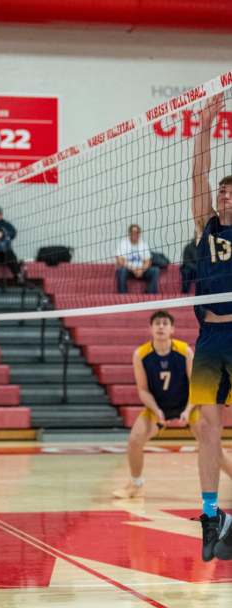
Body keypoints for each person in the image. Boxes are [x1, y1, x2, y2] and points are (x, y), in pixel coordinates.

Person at [113, 310, 232, 500]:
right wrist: (156, 410)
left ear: (172, 329)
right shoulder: (140, 354)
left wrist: (187, 410)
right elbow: (143, 390)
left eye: (165, 323)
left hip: (188, 406)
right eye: (157, 323)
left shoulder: (184, 351)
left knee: (213, 446)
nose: (161, 326)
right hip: (158, 407)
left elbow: (197, 384)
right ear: (150, 328)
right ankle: (135, 485)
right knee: (135, 439)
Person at [189, 93, 232, 562]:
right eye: (222, 192)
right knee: (206, 428)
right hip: (210, 338)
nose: (224, 197)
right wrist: (206, 125)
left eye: (231, 193)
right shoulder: (207, 225)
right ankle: (209, 513)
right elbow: (198, 175)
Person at [115, 224, 160, 295]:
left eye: (137, 232)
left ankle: (150, 294)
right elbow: (120, 261)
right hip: (128, 270)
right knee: (121, 271)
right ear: (129, 233)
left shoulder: (143, 244)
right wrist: (133, 269)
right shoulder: (123, 243)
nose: (136, 234)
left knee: (155, 270)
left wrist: (141, 269)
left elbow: (148, 261)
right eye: (133, 232)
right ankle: (123, 295)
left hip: (141, 270)